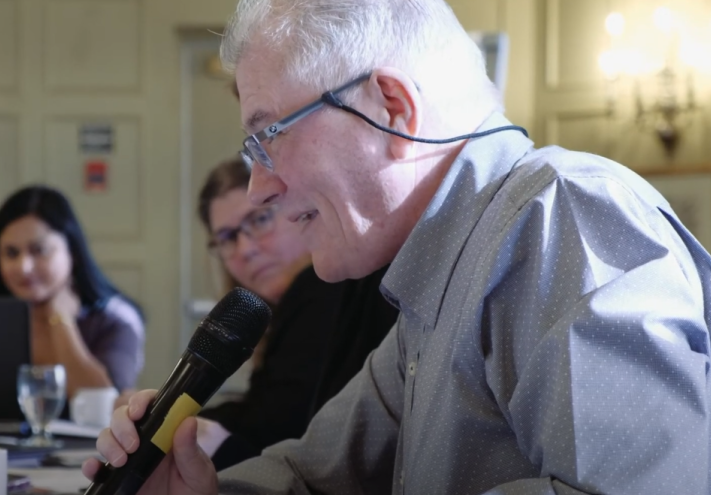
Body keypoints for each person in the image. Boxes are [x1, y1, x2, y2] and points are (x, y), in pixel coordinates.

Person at [85, 0, 711, 493]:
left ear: (391, 107)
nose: (257, 189)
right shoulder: (435, 277)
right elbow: (316, 478)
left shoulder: (564, 217)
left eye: (268, 137)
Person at [193, 157, 399, 470]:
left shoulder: (322, 288)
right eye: (227, 238)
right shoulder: (285, 306)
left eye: (259, 220)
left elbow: (277, 431)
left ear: (297, 212)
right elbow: (263, 408)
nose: (245, 249)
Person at [0, 185, 145, 399]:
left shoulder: (115, 318)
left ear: (72, 252)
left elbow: (101, 400)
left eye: (39, 250)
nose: (24, 267)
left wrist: (60, 319)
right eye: (11, 253)